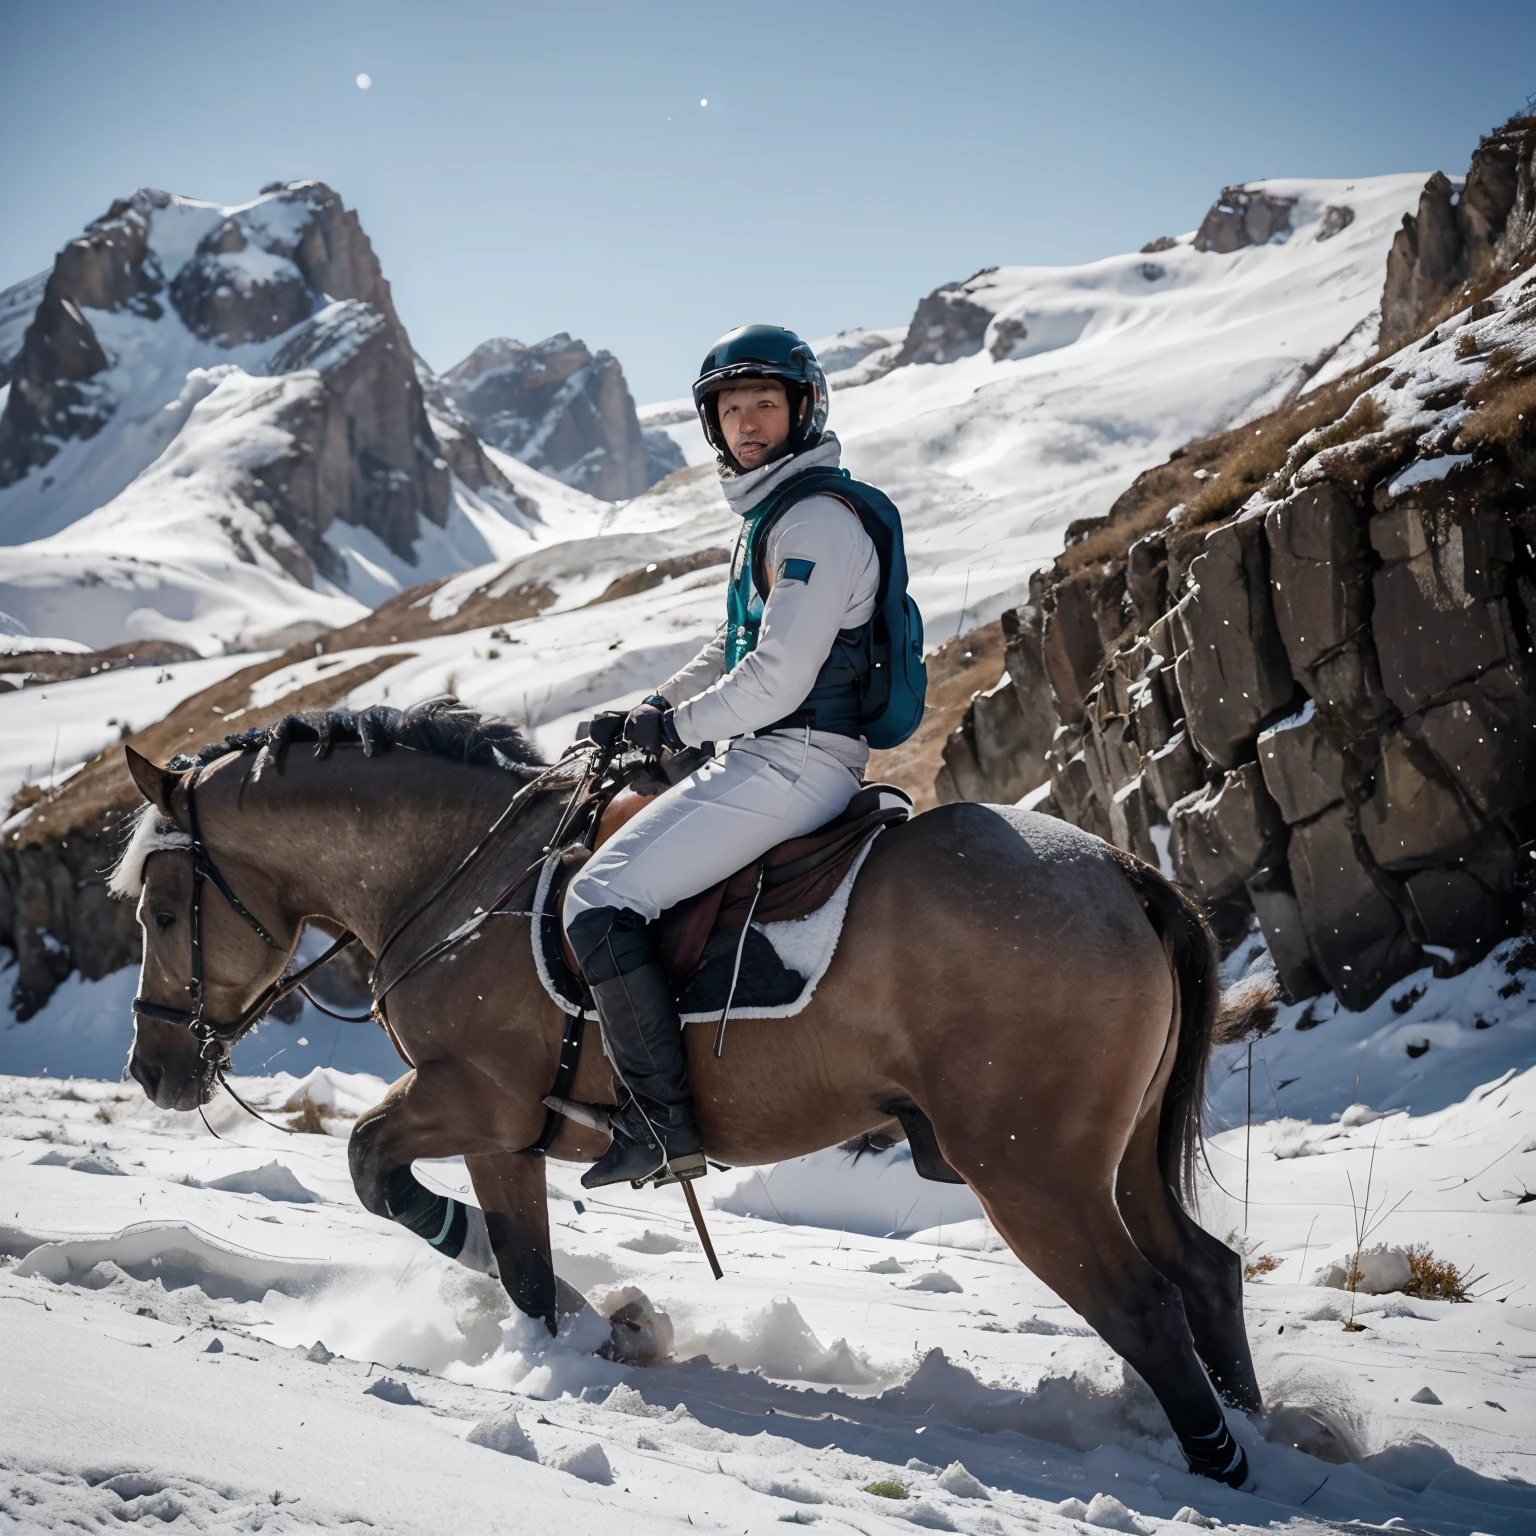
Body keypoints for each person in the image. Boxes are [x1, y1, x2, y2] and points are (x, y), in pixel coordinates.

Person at [562, 324, 888, 1190]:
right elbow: (732, 645)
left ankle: (662, 1125)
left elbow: (776, 678)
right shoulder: (772, 518)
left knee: (596, 900)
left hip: (795, 758)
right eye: (731, 409)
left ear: (803, 409)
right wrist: (653, 707)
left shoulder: (815, 519)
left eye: (766, 405)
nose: (747, 424)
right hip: (771, 753)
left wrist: (676, 732)